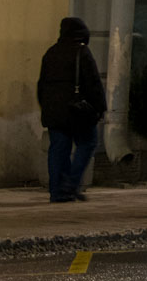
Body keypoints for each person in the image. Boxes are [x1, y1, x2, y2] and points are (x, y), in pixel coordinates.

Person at [36, 16, 107, 203]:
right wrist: (100, 108)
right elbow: (93, 83)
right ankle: (71, 183)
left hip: (53, 112)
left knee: (58, 150)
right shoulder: (81, 52)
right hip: (76, 111)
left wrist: (46, 108)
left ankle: (57, 191)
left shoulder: (51, 53)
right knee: (88, 142)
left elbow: (41, 85)